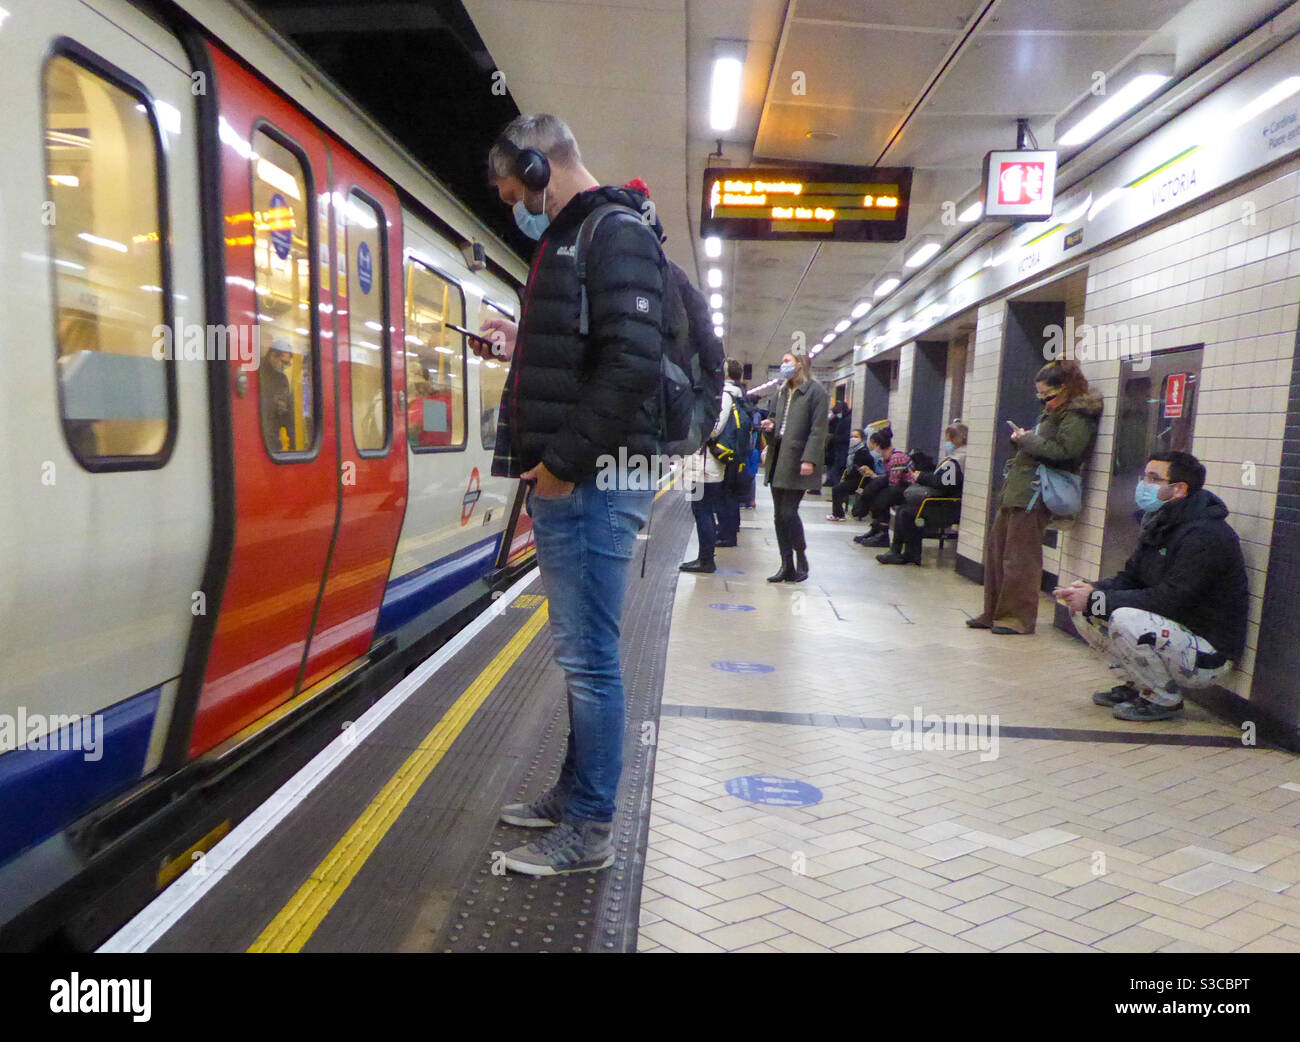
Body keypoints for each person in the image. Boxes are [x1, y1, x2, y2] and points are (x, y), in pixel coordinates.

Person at [477, 114, 663, 875]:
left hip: (590, 481)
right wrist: (514, 340)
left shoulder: (611, 231)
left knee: (591, 663)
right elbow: (586, 353)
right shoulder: (578, 236)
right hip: (577, 479)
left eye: (512, 189)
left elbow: (631, 362)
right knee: (581, 657)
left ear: (536, 162)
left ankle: (589, 830)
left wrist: (561, 463)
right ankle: (571, 793)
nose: (512, 205)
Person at [1054, 451, 1248, 722]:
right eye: (1144, 477)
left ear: (1179, 489)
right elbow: (1130, 578)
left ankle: (1163, 699)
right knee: (1082, 606)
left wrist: (1098, 598)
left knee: (1122, 616)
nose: (1143, 485)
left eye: (1154, 479)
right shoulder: (1162, 524)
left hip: (1207, 655)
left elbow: (1170, 600)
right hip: (1173, 635)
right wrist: (1090, 590)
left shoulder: (1206, 536)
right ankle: (1137, 684)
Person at [968, 359, 1102, 635]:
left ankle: (1016, 618)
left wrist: (1027, 440)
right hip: (1017, 490)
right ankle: (993, 612)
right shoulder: (1053, 414)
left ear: (1067, 388)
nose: (1044, 401)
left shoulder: (1077, 416)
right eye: (1040, 395)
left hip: (1034, 493)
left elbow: (1066, 451)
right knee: (997, 553)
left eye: (1049, 395)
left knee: (1020, 559)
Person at [760, 347, 828, 582]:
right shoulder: (781, 391)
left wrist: (809, 459)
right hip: (778, 459)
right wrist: (771, 426)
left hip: (798, 460)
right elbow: (781, 423)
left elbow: (818, 430)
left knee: (789, 513)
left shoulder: (816, 392)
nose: (783, 364)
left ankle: (801, 558)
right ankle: (786, 564)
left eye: (787, 360)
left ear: (800, 364)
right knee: (779, 515)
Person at [680, 359, 746, 572]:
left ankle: (706, 560)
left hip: (706, 463)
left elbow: (714, 428)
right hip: (703, 461)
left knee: (703, 510)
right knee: (701, 509)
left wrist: (691, 431)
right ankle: (704, 557)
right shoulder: (720, 393)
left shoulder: (723, 395)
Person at [877, 422, 968, 565]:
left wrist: (921, 477)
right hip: (941, 501)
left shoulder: (957, 460)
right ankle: (898, 552)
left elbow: (944, 482)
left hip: (944, 504)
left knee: (905, 513)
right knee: (904, 509)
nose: (947, 443)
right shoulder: (958, 457)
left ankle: (907, 553)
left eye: (948, 439)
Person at [853, 426, 912, 546]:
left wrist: (876, 478)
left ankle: (882, 533)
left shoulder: (897, 458)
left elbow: (893, 482)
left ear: (878, 446)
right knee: (877, 491)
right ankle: (877, 529)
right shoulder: (887, 458)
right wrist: (873, 475)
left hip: (908, 489)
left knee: (882, 497)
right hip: (898, 487)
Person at [259, 338, 295, 451]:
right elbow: (282, 410)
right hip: (264, 434)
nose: (285, 366)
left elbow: (285, 409)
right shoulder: (258, 372)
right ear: (273, 355)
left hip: (270, 434)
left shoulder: (281, 378)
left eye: (287, 364)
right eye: (284, 362)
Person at [826, 427, 868, 521]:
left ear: (861, 439)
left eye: (856, 436)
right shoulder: (851, 451)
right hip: (851, 478)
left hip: (860, 480)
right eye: (851, 436)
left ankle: (838, 514)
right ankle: (838, 513)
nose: (853, 439)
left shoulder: (863, 452)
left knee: (837, 489)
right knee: (838, 488)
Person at [823, 401, 852, 487]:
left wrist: (834, 437)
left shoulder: (847, 420)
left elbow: (845, 435)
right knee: (834, 467)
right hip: (836, 447)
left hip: (842, 448)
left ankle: (837, 486)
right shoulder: (841, 419)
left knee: (838, 468)